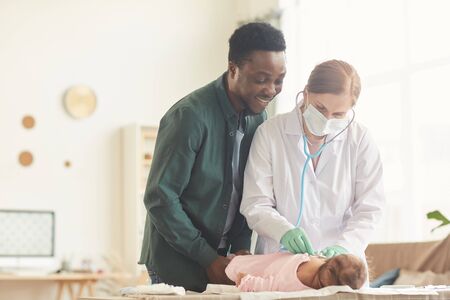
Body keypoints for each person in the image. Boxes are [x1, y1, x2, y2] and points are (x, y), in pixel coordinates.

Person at [138, 22, 287, 292]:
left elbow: (247, 189)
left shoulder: (258, 118)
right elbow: (160, 198)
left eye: (279, 80)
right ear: (233, 69)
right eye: (262, 79)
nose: (271, 89)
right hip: (176, 262)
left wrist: (242, 247)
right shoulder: (189, 116)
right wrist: (208, 258)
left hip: (220, 260)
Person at [240, 60, 385, 273]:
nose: (327, 120)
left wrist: (344, 247)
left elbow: (371, 209)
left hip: (341, 270)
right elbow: (255, 203)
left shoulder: (359, 139)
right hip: (281, 266)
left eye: (338, 115)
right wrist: (283, 231)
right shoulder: (270, 133)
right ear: (306, 93)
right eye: (320, 108)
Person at [225, 252, 367, 292]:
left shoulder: (299, 282)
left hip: (242, 274)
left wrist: (247, 281)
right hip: (260, 260)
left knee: (230, 269)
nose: (330, 259)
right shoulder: (321, 262)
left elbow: (270, 286)